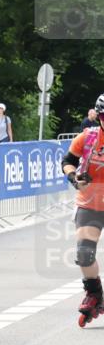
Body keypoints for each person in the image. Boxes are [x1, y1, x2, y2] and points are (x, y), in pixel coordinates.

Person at [61, 93, 104, 326]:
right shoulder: (88, 137)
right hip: (90, 203)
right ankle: (94, 293)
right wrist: (75, 178)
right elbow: (67, 161)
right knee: (84, 254)